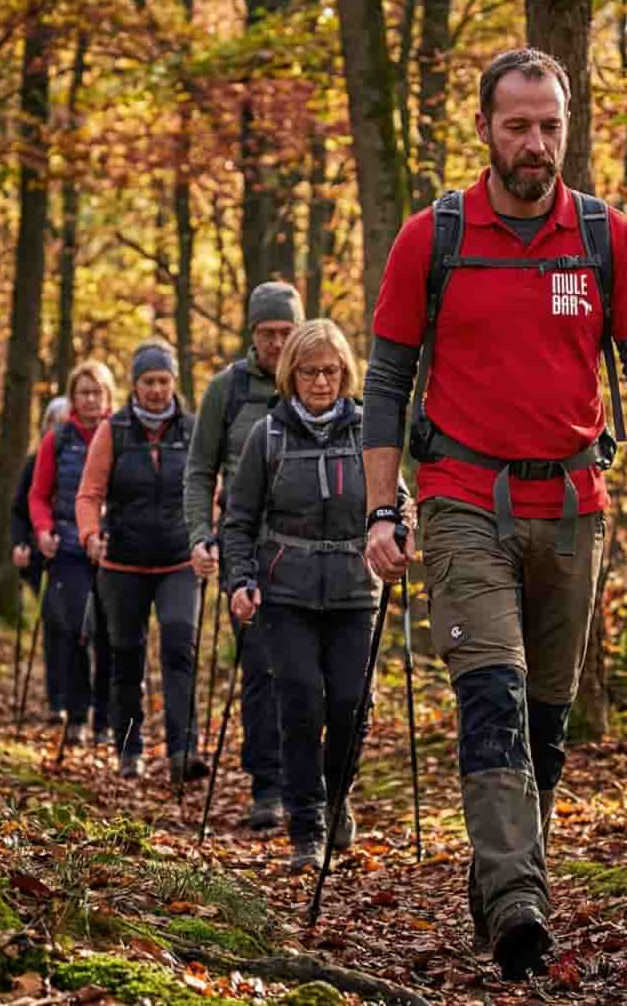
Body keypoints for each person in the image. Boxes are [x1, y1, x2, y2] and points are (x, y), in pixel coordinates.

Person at [362, 47, 627, 980]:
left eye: (551, 126)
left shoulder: (604, 235)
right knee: (492, 700)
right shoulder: (433, 237)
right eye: (519, 126)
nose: (537, 144)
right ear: (484, 130)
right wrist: (383, 508)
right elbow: (385, 384)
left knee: (545, 722)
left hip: (575, 505)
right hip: (463, 499)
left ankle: (504, 872)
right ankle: (517, 904)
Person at [224, 319, 391, 873]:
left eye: (331, 371)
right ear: (289, 374)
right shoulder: (266, 436)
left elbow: (397, 503)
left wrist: (401, 531)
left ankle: (336, 795)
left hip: (353, 588)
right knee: (298, 703)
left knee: (350, 704)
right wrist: (240, 580)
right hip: (286, 591)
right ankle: (306, 825)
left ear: (345, 373)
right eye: (309, 371)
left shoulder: (369, 432)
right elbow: (240, 520)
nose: (320, 381)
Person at [184, 281, 304, 829]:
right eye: (267, 332)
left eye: (286, 332)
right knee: (259, 667)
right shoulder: (226, 390)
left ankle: (311, 781)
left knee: (306, 672)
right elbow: (199, 469)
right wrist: (199, 535)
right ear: (252, 333)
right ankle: (267, 786)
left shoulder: (319, 382)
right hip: (244, 546)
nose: (278, 342)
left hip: (309, 548)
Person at [77, 339, 209, 782]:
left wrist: (208, 535)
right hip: (123, 565)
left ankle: (182, 749)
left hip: (178, 561)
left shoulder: (193, 431)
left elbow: (210, 489)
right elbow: (90, 493)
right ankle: (128, 748)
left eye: (163, 381)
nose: (156, 390)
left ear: (174, 382)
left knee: (179, 648)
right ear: (135, 385)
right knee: (126, 657)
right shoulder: (112, 431)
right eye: (148, 381)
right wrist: (90, 534)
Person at [30, 362, 117, 746]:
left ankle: (106, 719)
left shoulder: (123, 433)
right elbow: (38, 494)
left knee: (113, 635)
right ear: (73, 397)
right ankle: (78, 715)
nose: (91, 399)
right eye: (84, 392)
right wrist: (43, 530)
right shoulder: (58, 439)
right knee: (79, 629)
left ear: (108, 396)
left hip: (116, 550)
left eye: (97, 392)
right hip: (69, 548)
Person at [12, 395, 68, 721]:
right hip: (41, 557)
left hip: (77, 551)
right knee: (55, 622)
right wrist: (20, 544)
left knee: (79, 625)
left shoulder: (89, 456)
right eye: (54, 423)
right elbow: (19, 510)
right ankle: (57, 700)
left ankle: (78, 698)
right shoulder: (34, 463)